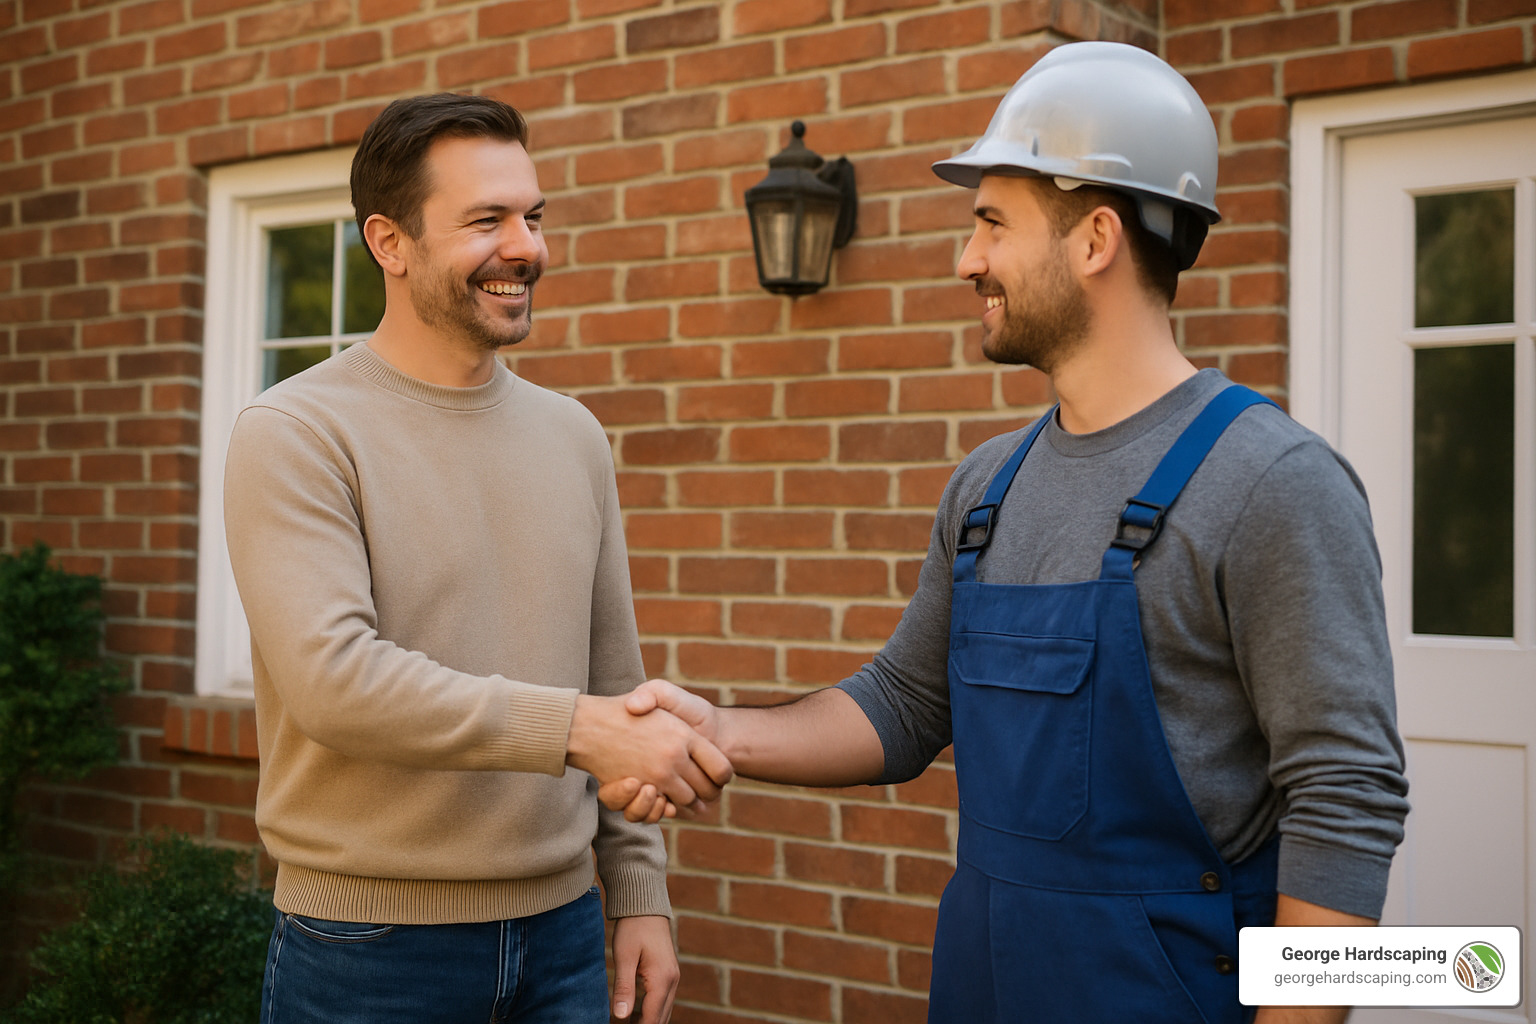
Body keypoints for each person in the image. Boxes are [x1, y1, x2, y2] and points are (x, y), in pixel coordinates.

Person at [602, 43, 1409, 1024]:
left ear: (1096, 237)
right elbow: (904, 705)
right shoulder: (988, 488)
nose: (966, 258)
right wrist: (718, 730)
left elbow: (1346, 794)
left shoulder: (1274, 483)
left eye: (991, 222)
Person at [224, 93, 730, 1024]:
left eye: (532, 216)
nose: (526, 247)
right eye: (487, 220)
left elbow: (614, 677)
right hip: (368, 956)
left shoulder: (573, 434)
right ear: (390, 242)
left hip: (568, 936)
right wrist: (583, 729)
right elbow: (335, 683)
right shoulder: (296, 432)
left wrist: (638, 893)